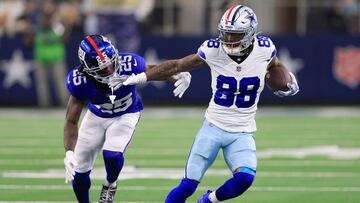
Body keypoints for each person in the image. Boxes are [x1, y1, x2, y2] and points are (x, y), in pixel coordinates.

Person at [110, 4, 299, 203]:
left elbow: (275, 64)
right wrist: (141, 77)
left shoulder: (265, 49)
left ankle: (209, 200)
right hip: (213, 128)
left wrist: (287, 80)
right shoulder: (213, 50)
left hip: (243, 131)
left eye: (235, 35)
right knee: (187, 186)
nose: (228, 40)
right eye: (226, 34)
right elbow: (176, 65)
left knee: (244, 179)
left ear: (250, 33)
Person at [63, 34, 191, 203]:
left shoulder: (129, 63)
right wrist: (69, 152)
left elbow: (151, 70)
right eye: (103, 68)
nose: (110, 69)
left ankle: (110, 184)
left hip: (126, 113)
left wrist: (175, 75)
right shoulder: (79, 81)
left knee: (112, 155)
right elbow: (71, 120)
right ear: (87, 69)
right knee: (78, 173)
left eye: (111, 63)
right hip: (96, 115)